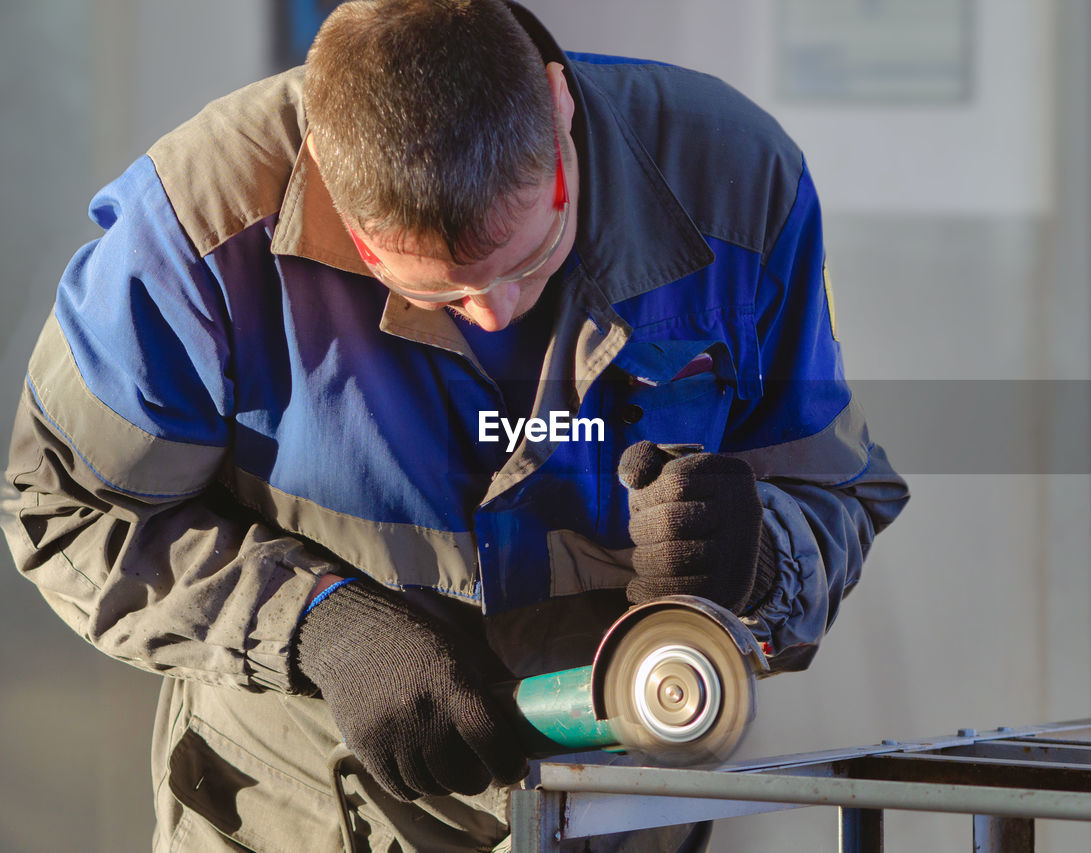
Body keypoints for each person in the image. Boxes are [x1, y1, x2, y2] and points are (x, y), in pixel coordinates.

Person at [2, 1, 908, 850]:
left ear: (557, 110)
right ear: (330, 190)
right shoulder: (198, 230)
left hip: (620, 817)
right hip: (297, 816)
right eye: (434, 289)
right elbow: (65, 512)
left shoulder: (734, 184)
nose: (495, 313)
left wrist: (758, 556)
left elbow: (837, 491)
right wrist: (321, 626)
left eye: (534, 254)